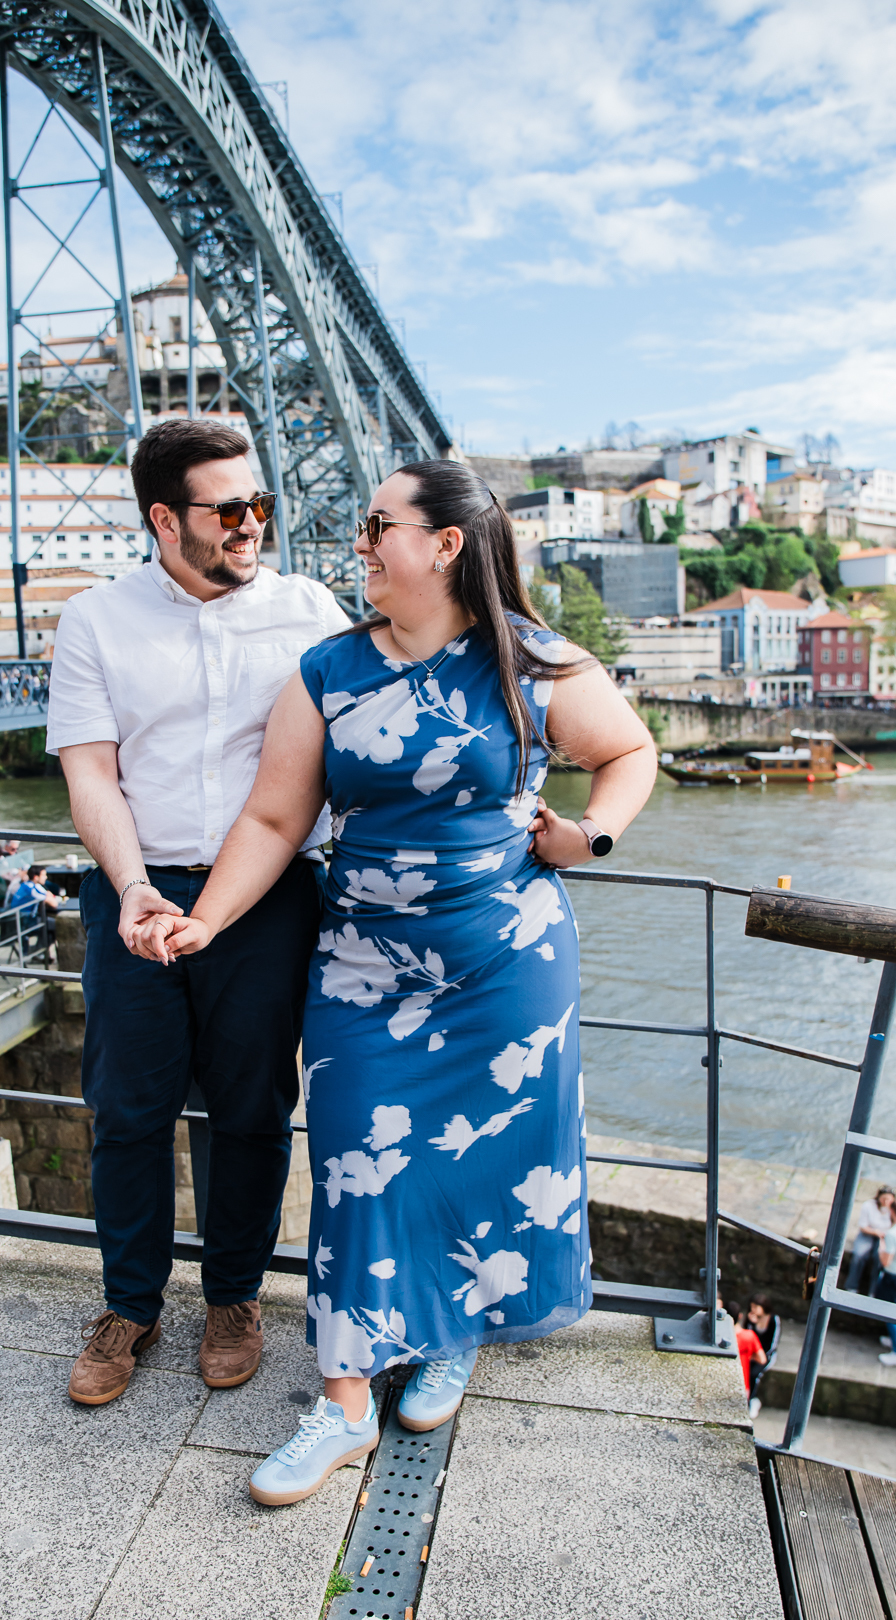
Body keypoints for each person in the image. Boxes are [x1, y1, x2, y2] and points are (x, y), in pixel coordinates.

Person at [158, 457, 657, 1504]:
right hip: (364, 966)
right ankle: (341, 1408)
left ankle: (451, 1334)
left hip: (504, 963)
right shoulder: (331, 671)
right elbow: (274, 819)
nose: (360, 542)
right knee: (354, 1163)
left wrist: (589, 836)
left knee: (481, 1165)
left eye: (378, 524)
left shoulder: (534, 662)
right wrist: (204, 919)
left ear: (443, 545)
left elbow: (629, 752)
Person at [46, 417, 351, 1408]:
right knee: (127, 1110)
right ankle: (129, 1306)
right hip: (138, 887)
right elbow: (91, 774)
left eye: (259, 503)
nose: (252, 523)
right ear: (163, 519)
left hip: (267, 898)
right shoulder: (96, 621)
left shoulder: (312, 611)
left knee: (254, 1108)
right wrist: (132, 886)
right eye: (229, 509)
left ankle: (232, 1298)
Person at [845, 1186, 895, 1294]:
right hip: (868, 1233)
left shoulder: (893, 1209)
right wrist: (876, 1232)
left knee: (878, 1260)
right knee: (859, 1254)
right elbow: (863, 1226)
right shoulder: (869, 1205)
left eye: (888, 1199)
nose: (886, 1202)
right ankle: (851, 1286)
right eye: (883, 1198)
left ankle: (873, 1291)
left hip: (885, 1236)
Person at [746, 1293, 781, 1419]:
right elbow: (748, 1336)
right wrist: (751, 1324)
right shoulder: (751, 1319)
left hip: (766, 1355)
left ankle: (753, 1400)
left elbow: (773, 1343)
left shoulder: (773, 1320)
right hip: (752, 1354)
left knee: (754, 1373)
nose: (753, 1310)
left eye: (755, 1307)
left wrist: (761, 1356)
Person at [727, 1298, 766, 1399]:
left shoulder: (721, 1336)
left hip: (725, 1383)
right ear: (740, 1316)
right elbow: (762, 1359)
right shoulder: (749, 1336)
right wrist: (748, 1355)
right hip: (743, 1384)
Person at [874, 1225, 896, 1366]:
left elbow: (886, 1261)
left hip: (892, 1277)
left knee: (890, 1314)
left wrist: (880, 1248)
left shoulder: (892, 1234)